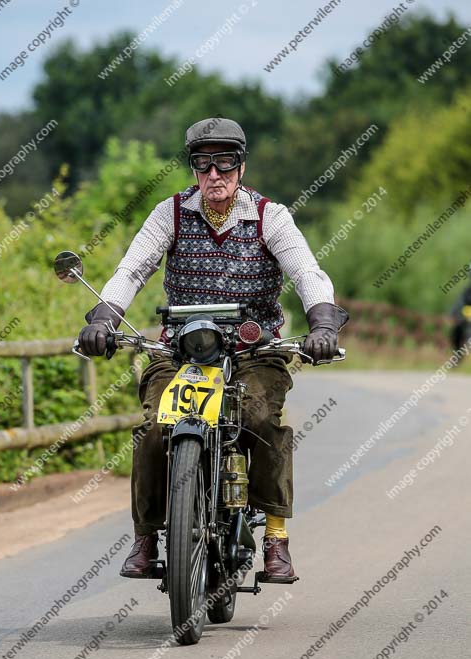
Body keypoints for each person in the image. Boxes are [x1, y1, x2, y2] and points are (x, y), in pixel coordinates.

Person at [78, 118, 348, 581]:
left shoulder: (270, 216)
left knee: (260, 421)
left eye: (225, 162)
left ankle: (276, 540)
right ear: (193, 168)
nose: (214, 174)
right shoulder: (170, 213)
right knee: (156, 428)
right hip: (178, 351)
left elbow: (306, 272)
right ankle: (146, 537)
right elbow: (132, 268)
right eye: (204, 164)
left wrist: (322, 322)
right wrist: (104, 317)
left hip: (253, 351)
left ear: (241, 166)